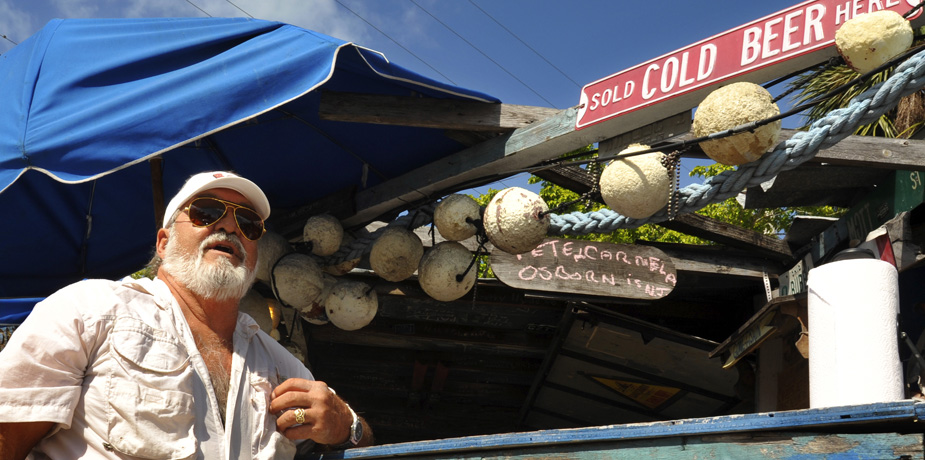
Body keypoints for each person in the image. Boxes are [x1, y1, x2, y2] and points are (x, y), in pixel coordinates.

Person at [0, 171, 373, 459]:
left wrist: (347, 425)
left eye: (248, 224)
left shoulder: (279, 365)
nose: (229, 226)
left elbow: (362, 440)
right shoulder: (90, 310)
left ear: (256, 254)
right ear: (163, 243)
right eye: (206, 213)